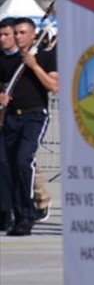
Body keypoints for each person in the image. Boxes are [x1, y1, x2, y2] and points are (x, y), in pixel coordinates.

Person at [0, 17, 58, 236]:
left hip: (34, 116)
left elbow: (53, 86)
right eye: (15, 33)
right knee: (6, 164)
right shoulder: (7, 59)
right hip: (11, 118)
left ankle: (28, 212)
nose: (17, 36)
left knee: (24, 159)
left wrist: (34, 66)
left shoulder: (45, 57)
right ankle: (14, 213)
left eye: (22, 32)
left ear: (33, 34)